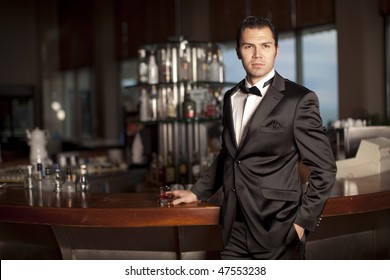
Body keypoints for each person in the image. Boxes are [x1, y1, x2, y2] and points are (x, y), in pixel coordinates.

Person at [172, 16, 337, 260]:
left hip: (279, 230)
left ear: (276, 50)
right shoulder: (230, 97)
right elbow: (229, 155)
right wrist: (197, 192)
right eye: (249, 46)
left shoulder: (299, 100)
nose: (257, 54)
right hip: (233, 228)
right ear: (238, 51)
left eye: (265, 46)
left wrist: (302, 224)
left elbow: (325, 168)